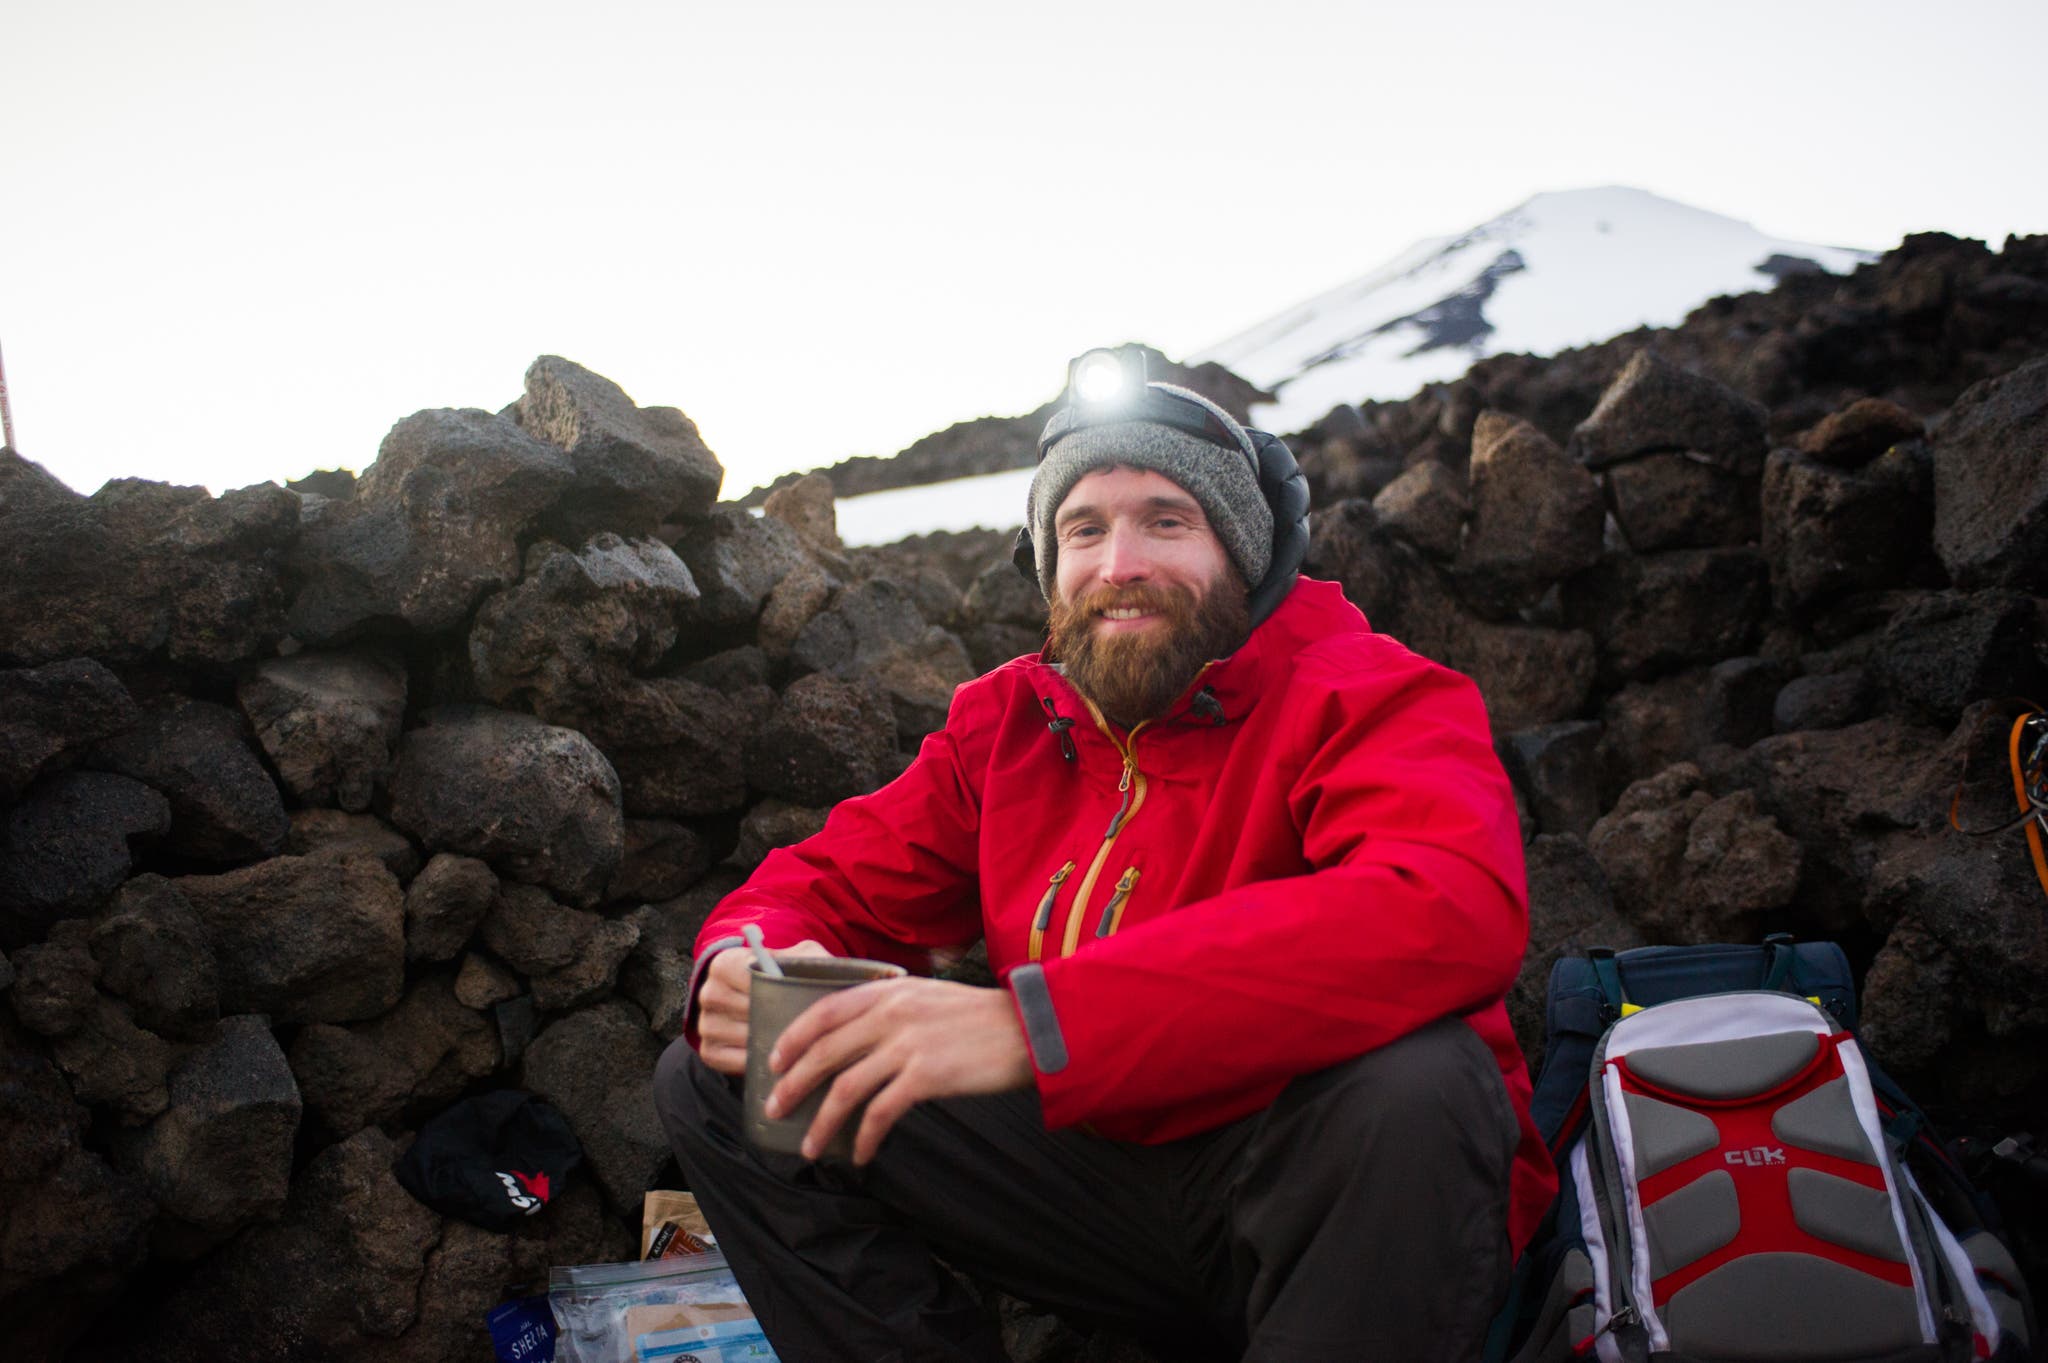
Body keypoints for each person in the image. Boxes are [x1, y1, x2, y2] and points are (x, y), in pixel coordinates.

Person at [654, 350, 1556, 1362]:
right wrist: (741, 958)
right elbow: (820, 882)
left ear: (1244, 551)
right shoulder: (1008, 726)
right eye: (1083, 528)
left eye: (1165, 521)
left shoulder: (1362, 692)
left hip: (1323, 1206)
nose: (1118, 563)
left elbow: (1440, 907)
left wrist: (1039, 1026)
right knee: (735, 1071)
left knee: (1415, 1083)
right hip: (1103, 1193)